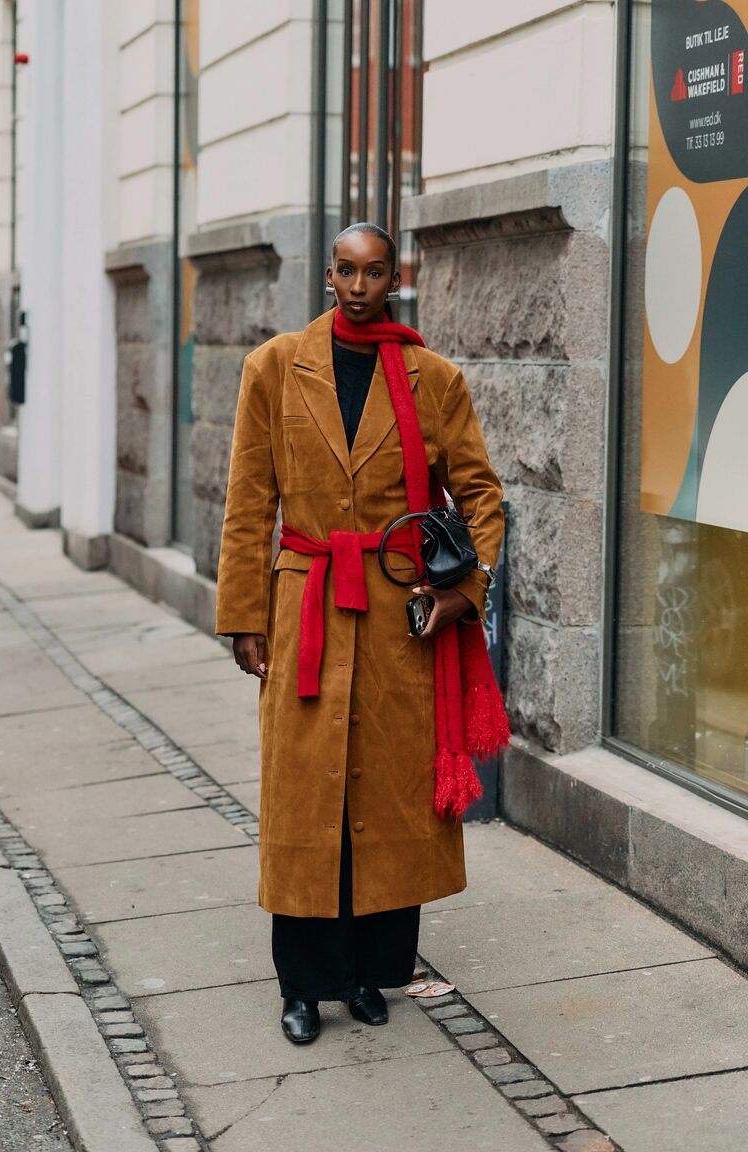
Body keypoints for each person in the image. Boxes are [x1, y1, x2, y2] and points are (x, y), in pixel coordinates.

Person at [215, 222, 506, 1044]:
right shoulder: (273, 368)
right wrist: (243, 617)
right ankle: (304, 987)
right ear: (329, 276)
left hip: (395, 616)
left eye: (374, 272)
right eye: (345, 270)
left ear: (394, 280)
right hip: (304, 603)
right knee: (308, 799)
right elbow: (248, 504)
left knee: (383, 794)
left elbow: (482, 497)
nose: (357, 286)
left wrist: (465, 590)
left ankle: (368, 976)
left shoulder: (432, 379)